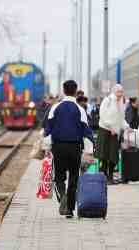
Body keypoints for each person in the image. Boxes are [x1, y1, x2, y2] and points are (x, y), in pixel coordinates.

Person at [44, 80, 94, 218]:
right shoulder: (80, 109)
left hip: (58, 147)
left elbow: (48, 129)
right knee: (73, 177)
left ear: (63, 90)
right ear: (76, 90)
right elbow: (87, 132)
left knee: (59, 177)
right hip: (75, 147)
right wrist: (90, 151)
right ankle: (70, 209)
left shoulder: (55, 108)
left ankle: (63, 197)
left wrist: (46, 147)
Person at [96, 84, 129, 184]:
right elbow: (102, 116)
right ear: (114, 92)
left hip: (115, 133)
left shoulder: (121, 103)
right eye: (119, 91)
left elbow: (121, 118)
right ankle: (103, 178)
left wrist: (127, 127)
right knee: (104, 156)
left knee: (113, 156)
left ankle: (110, 177)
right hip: (105, 131)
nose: (120, 94)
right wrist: (110, 127)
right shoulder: (108, 100)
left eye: (122, 91)